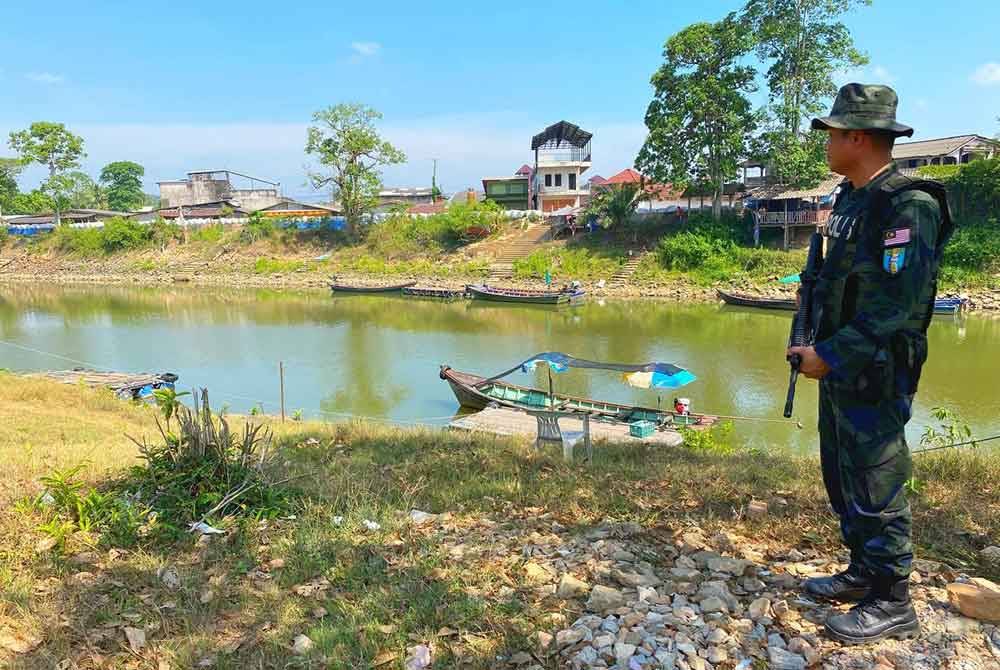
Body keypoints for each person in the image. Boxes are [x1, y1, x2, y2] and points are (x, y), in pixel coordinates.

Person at [787, 83, 953, 645]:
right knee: (843, 472)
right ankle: (862, 569)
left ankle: (892, 597)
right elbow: (832, 284)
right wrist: (814, 345)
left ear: (858, 137)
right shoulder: (850, 199)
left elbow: (895, 306)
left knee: (877, 477)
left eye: (833, 133)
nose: (827, 143)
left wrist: (829, 354)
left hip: (875, 368)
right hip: (837, 367)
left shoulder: (909, 206)